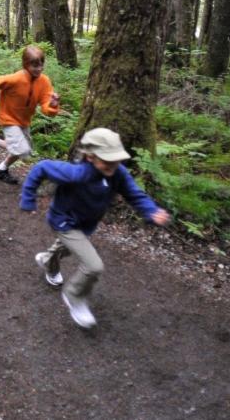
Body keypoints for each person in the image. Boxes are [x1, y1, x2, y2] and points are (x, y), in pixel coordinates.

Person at [19, 127, 171, 329]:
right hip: (63, 221)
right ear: (90, 157)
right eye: (107, 160)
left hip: (85, 224)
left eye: (116, 160)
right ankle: (74, 296)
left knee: (67, 248)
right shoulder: (77, 172)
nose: (112, 165)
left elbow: (135, 194)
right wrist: (28, 199)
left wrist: (151, 211)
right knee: (93, 266)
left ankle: (47, 261)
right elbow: (42, 168)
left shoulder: (118, 173)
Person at [0, 45, 60, 184]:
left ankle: (2, 168)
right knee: (22, 150)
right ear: (26, 65)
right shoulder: (14, 79)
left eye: (41, 65)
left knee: (25, 149)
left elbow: (46, 107)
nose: (39, 69)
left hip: (24, 121)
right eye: (34, 66)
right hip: (8, 118)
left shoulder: (44, 82)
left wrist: (52, 105)